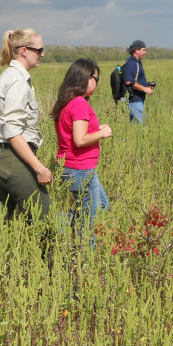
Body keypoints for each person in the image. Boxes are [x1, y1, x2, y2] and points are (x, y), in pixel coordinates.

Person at [0, 28, 52, 235]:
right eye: (39, 50)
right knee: (44, 217)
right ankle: (54, 265)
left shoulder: (12, 76)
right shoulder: (17, 81)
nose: (42, 54)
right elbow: (12, 131)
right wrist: (38, 168)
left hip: (1, 156)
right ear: (24, 51)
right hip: (11, 157)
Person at [51, 58, 112, 241]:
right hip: (80, 169)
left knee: (101, 205)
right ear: (85, 78)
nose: (96, 83)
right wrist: (103, 133)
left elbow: (73, 133)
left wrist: (96, 129)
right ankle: (84, 260)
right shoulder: (79, 104)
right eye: (96, 78)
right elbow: (79, 139)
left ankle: (57, 222)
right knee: (89, 221)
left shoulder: (68, 101)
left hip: (75, 168)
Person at [123, 40, 153, 124]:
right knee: (140, 127)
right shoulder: (132, 63)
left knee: (135, 126)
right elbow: (129, 81)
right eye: (143, 50)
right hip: (134, 101)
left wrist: (146, 86)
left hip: (137, 100)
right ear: (136, 50)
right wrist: (144, 89)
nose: (145, 52)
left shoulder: (137, 62)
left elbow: (135, 80)